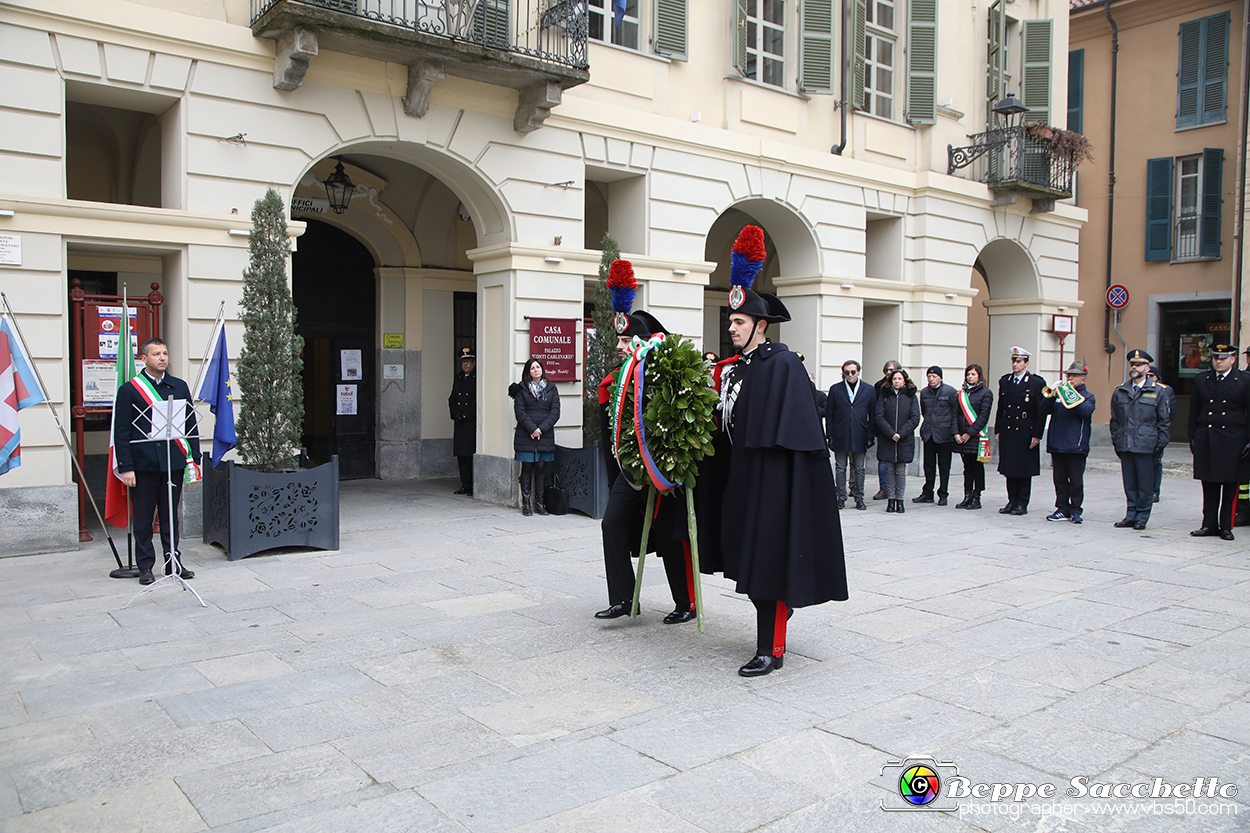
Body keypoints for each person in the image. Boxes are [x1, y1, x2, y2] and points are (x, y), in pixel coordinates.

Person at [701, 224, 848, 677]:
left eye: (739, 322)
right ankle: (771, 632)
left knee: (768, 566)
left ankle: (772, 649)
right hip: (742, 480)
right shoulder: (733, 369)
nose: (732, 328)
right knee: (751, 564)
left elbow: (798, 434)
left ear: (760, 326)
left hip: (772, 484)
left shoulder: (781, 363)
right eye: (730, 322)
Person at [595, 259, 695, 623]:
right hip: (631, 469)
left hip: (662, 470)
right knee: (611, 525)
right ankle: (624, 599)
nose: (620, 346)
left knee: (670, 537)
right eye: (618, 340)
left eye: (625, 340)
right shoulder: (619, 376)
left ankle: (686, 603)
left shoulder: (662, 374)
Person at [113, 337, 201, 585]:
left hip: (173, 463)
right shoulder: (130, 390)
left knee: (170, 516)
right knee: (143, 518)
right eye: (156, 354)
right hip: (144, 465)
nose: (162, 358)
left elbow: (190, 425)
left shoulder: (179, 386)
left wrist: (193, 458)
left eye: (165, 353)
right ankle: (145, 567)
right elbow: (122, 433)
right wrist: (126, 467)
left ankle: (173, 561)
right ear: (144, 358)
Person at [1188, 343, 1250, 541]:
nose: (1219, 361)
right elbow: (1194, 410)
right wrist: (1192, 436)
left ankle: (1226, 526)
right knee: (1209, 483)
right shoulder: (1202, 379)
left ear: (1232, 359)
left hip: (1233, 439)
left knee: (1230, 486)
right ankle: (1208, 524)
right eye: (1216, 358)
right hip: (1207, 436)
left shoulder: (1244, 380)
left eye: (1223, 358)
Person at [1109, 349, 1171, 531]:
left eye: (1139, 364)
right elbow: (1115, 420)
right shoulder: (1121, 391)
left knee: (1145, 485)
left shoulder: (1158, 391)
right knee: (1129, 483)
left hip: (1146, 444)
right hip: (1126, 443)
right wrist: (1117, 441)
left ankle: (1142, 516)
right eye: (1133, 364)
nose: (1135, 367)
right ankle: (1131, 514)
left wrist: (1158, 446)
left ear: (1147, 367)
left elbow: (1164, 422)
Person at [1041, 360, 1096, 523]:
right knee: (1059, 479)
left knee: (1076, 479)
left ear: (1083, 379)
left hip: (1076, 445)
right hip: (1057, 443)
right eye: (1069, 376)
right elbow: (1043, 409)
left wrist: (1068, 394)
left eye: (1075, 376)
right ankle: (1062, 508)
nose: (1071, 379)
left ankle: (1076, 509)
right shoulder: (1059, 394)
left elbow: (1084, 412)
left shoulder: (1088, 397)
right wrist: (1052, 395)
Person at [995, 346, 1047, 515]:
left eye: (1019, 361)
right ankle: (1012, 500)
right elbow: (1001, 407)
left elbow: (1041, 411)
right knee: (1009, 468)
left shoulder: (1036, 383)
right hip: (1009, 429)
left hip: (1025, 429)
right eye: (1013, 360)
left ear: (1026, 363)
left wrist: (1037, 434)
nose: (1015, 364)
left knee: (1023, 468)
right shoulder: (1005, 381)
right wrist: (998, 429)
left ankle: (1022, 502)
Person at [508, 358, 560, 516]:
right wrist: (532, 429)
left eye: (538, 367)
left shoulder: (551, 389)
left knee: (541, 468)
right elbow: (520, 412)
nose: (536, 370)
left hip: (544, 435)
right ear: (528, 372)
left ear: (542, 369)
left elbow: (555, 412)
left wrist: (541, 429)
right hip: (526, 435)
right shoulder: (521, 390)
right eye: (532, 368)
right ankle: (526, 504)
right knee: (527, 467)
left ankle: (539, 504)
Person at [825, 360, 876, 510]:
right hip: (841, 433)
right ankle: (841, 495)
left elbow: (873, 415)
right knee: (840, 467)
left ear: (858, 372)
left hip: (860, 433)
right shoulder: (835, 389)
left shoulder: (868, 389)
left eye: (853, 372)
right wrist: (830, 436)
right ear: (843, 373)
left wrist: (870, 435)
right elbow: (830, 414)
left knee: (859, 467)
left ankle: (859, 496)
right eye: (847, 372)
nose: (850, 375)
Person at [874, 368, 920, 514]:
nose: (897, 381)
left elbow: (914, 418)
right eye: (894, 379)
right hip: (888, 439)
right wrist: (891, 433)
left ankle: (900, 501)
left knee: (900, 470)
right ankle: (891, 500)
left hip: (904, 439)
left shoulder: (911, 396)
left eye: (900, 379)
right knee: (889, 469)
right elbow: (879, 416)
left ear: (904, 380)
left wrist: (901, 433)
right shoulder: (884, 395)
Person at [914, 366, 958, 505]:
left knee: (944, 466)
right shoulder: (925, 392)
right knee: (928, 466)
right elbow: (924, 410)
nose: (931, 379)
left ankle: (943, 493)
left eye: (934, 376)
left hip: (944, 434)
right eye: (929, 376)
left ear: (940, 377)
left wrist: (953, 431)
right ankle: (928, 492)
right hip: (929, 433)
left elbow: (955, 412)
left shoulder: (950, 392)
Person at [953, 364, 993, 510]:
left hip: (976, 436)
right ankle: (967, 496)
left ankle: (977, 497)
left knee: (977, 467)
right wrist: (956, 433)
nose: (970, 377)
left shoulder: (986, 393)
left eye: (973, 374)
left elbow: (983, 416)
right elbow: (955, 415)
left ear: (979, 376)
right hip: (962, 438)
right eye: (968, 374)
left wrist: (970, 432)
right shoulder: (961, 394)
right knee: (967, 467)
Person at [871, 360, 902, 500]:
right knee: (883, 461)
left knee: (899, 462)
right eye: (888, 370)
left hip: (900, 431)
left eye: (894, 370)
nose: (890, 373)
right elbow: (876, 409)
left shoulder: (905, 388)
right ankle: (884, 488)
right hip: (883, 429)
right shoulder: (879, 386)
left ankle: (897, 489)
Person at [448, 347, 476, 496]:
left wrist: (466, 415)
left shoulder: (476, 378)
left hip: (469, 422)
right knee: (461, 455)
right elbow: (452, 398)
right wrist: (455, 414)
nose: (465, 365)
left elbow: (477, 400)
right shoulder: (459, 377)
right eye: (463, 362)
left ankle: (472, 484)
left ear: (474, 363)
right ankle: (464, 483)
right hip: (459, 421)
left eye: (468, 362)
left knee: (469, 453)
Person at [1146, 366, 1175, 504]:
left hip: (1157, 430)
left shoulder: (1164, 390)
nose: (1149, 377)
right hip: (1142, 432)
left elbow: (1170, 413)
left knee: (1156, 462)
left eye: (1152, 375)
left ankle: (1154, 491)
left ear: (1157, 377)